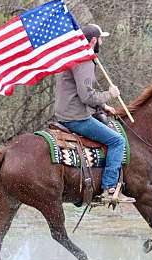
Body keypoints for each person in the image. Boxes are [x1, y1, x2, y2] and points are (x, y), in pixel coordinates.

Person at [54, 23, 135, 203]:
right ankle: (109, 188)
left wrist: (104, 105)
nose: (102, 42)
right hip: (75, 117)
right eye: (101, 39)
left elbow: (78, 91)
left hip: (65, 112)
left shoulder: (72, 56)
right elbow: (86, 96)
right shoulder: (83, 61)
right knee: (117, 141)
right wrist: (110, 94)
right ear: (93, 40)